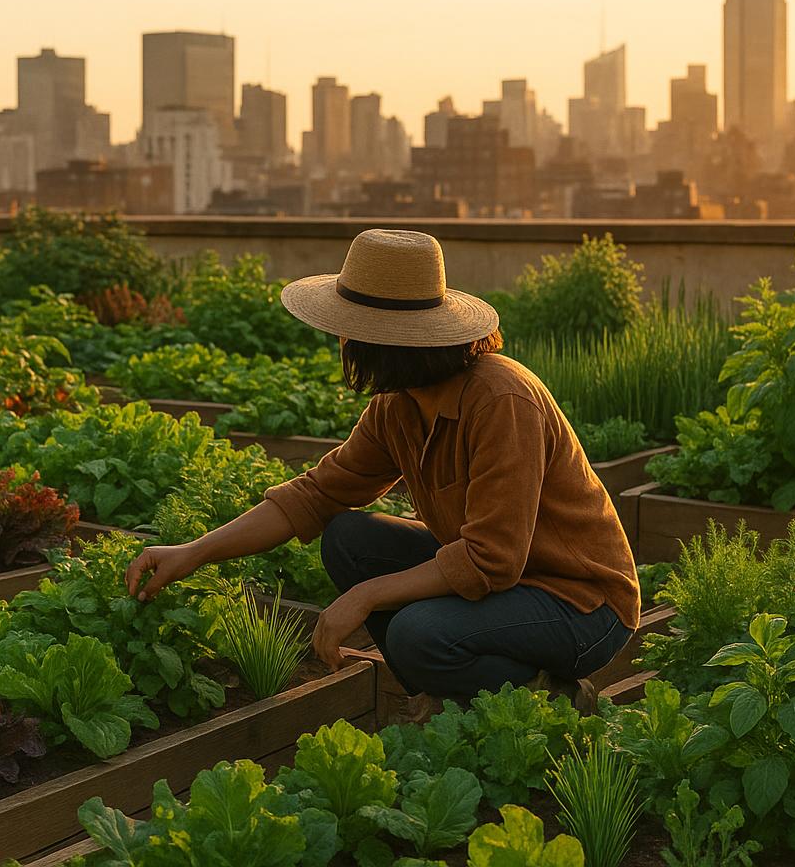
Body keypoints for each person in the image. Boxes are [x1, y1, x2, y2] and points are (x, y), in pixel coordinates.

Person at [125, 228, 639, 710]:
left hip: (580, 607)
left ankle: (548, 696)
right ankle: (445, 690)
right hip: (510, 588)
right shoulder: (400, 408)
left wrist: (364, 596)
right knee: (349, 536)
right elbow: (315, 496)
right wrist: (193, 552)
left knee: (417, 633)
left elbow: (493, 559)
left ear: (385, 341)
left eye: (348, 331)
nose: (341, 342)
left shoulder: (501, 400)